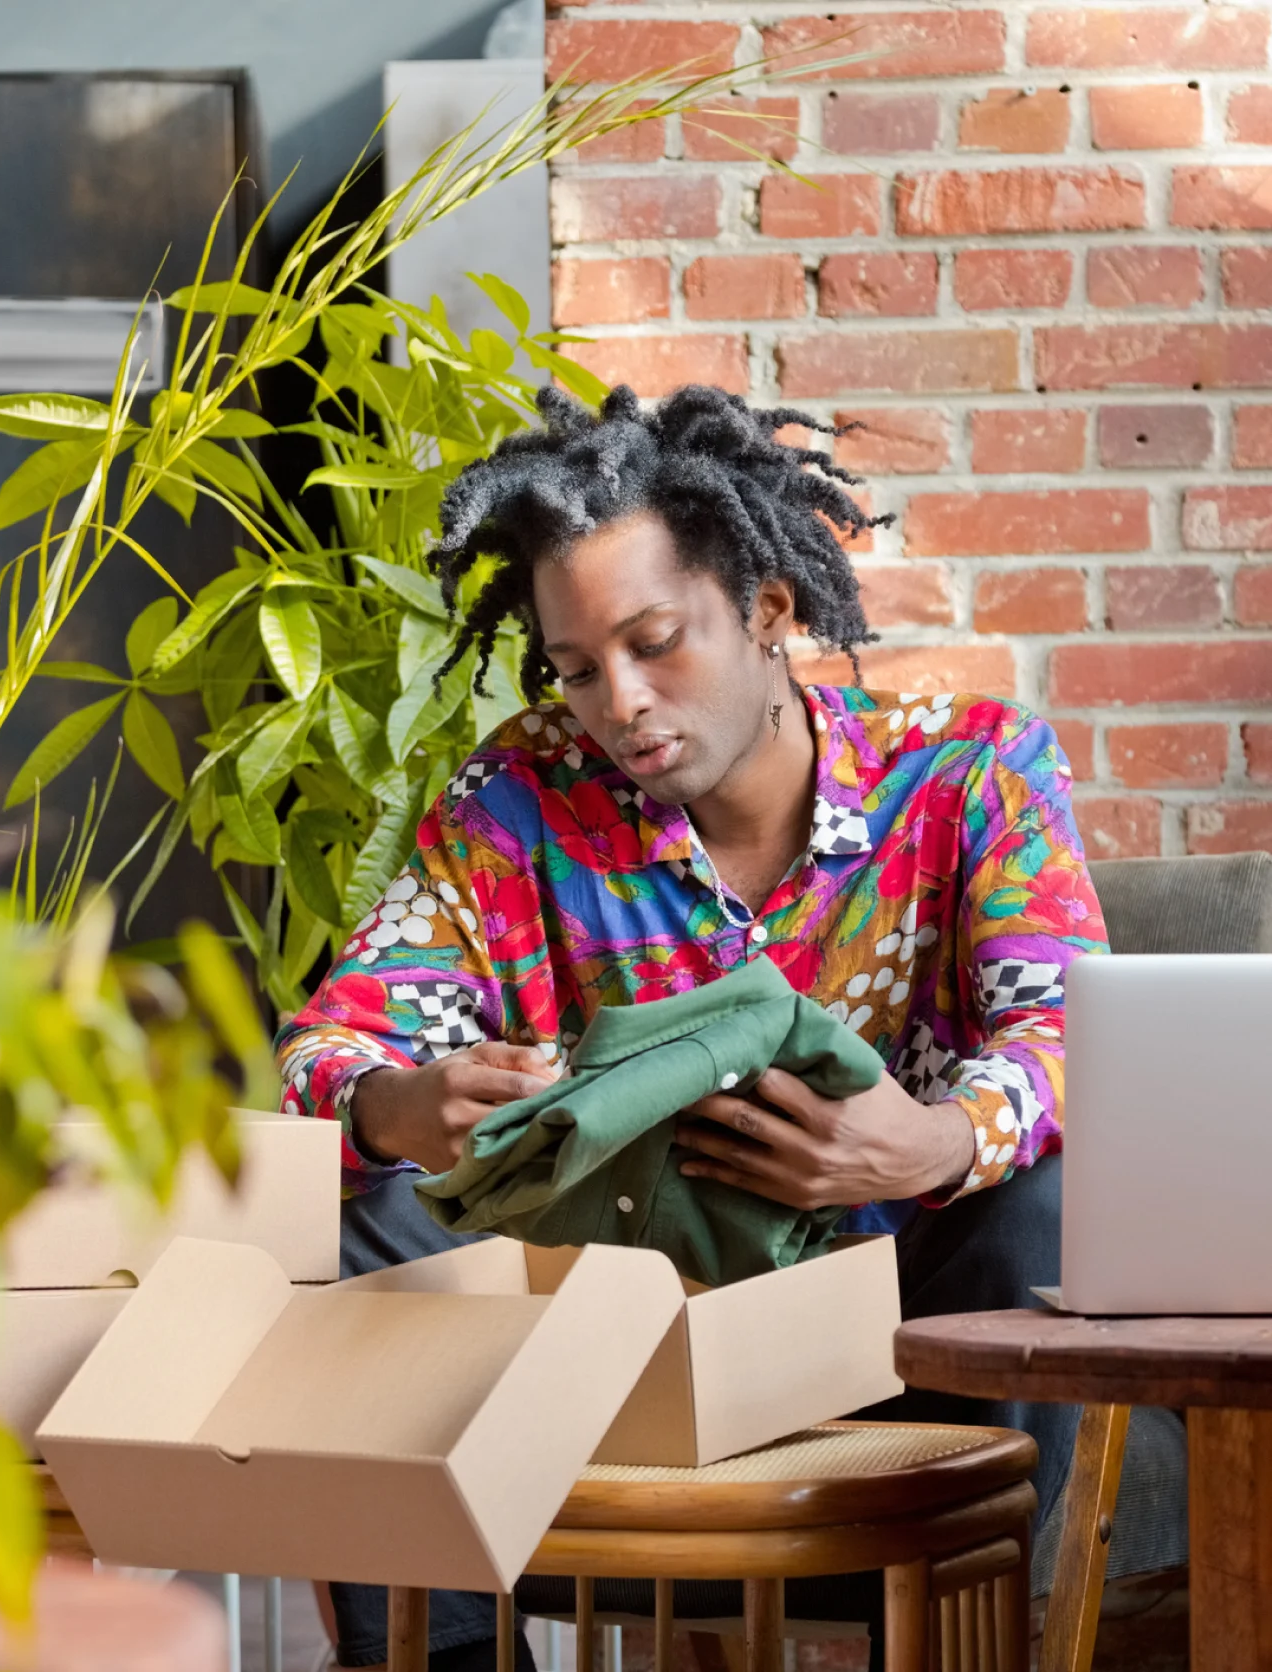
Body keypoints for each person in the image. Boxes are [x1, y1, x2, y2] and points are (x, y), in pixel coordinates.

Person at [277, 383, 1108, 1672]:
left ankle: (976, 1636)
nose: (619, 701)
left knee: (1042, 1209)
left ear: (768, 610)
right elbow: (335, 1046)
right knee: (355, 1213)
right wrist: (397, 1105)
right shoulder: (517, 801)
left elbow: (1070, 1040)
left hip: (899, 1353)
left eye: (656, 642)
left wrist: (933, 1146)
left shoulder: (971, 773)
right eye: (576, 668)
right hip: (617, 1356)